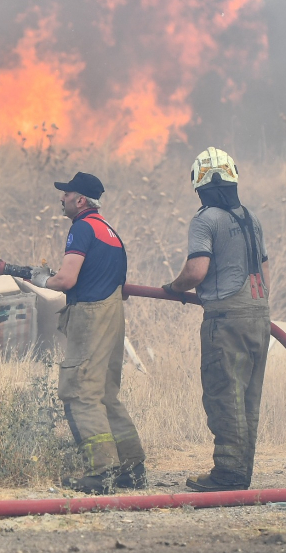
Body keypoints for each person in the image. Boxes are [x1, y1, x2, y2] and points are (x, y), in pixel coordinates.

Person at [163, 148, 270, 492]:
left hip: (225, 321)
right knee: (248, 398)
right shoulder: (251, 218)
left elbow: (197, 270)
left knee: (225, 394)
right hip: (259, 316)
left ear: (199, 183)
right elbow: (264, 269)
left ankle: (227, 474)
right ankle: (241, 473)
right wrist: (256, 305)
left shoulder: (205, 219)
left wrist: (174, 287)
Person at [35, 171, 147, 494]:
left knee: (80, 392)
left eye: (67, 194)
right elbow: (117, 285)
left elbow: (67, 280)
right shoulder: (110, 232)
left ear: (80, 200)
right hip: (113, 316)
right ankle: (132, 469)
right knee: (105, 394)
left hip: (91, 315)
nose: (62, 198)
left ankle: (102, 472)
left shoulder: (82, 228)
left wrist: (43, 279)